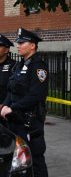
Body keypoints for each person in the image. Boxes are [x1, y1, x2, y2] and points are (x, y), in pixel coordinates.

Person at [0, 28, 49, 177]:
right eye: (18, 42)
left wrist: (12, 107)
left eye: (22, 42)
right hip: (15, 120)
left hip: (30, 122)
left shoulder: (38, 67)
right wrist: (4, 105)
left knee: (35, 157)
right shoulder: (19, 66)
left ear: (32, 46)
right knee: (19, 160)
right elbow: (11, 90)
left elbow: (36, 95)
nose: (18, 45)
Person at [0, 34, 15, 112]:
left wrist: (5, 104)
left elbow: (14, 90)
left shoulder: (14, 66)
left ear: (6, 50)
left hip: (5, 110)